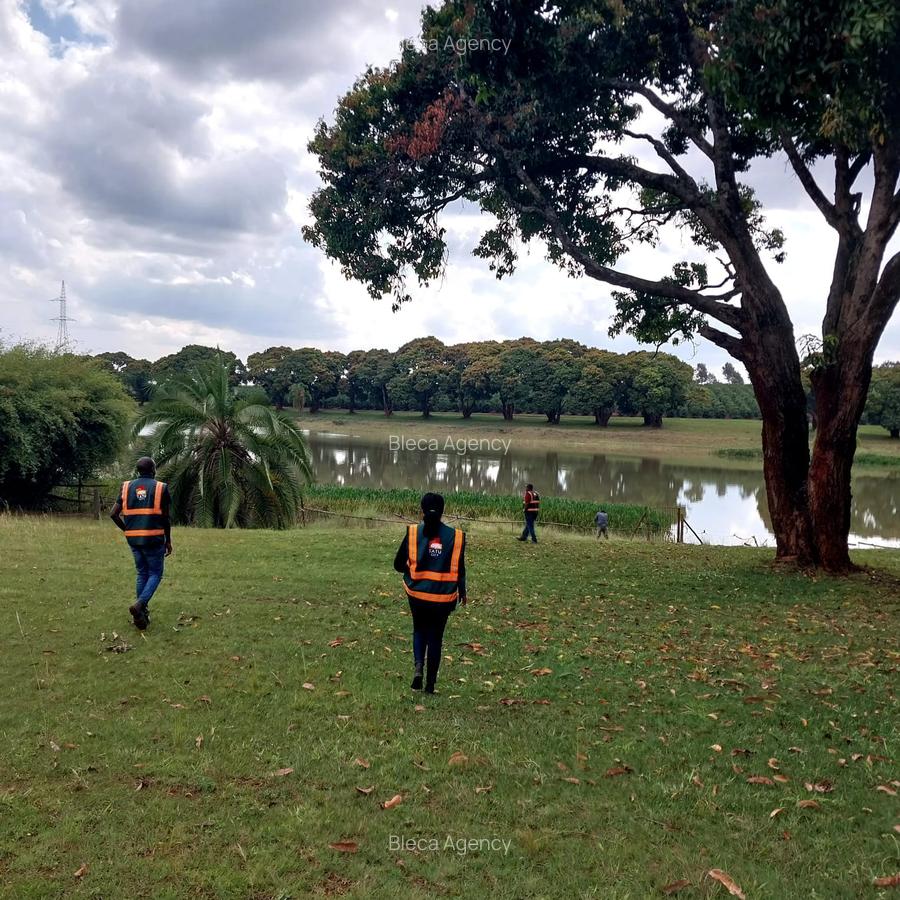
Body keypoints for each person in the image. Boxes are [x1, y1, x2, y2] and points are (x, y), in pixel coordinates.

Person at [393, 492, 467, 694]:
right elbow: (460, 569)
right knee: (436, 637)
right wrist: (463, 592)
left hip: (417, 595)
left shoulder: (413, 533)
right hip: (444, 597)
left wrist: (412, 567)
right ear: (443, 511)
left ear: (422, 509)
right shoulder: (457, 537)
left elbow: (398, 565)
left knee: (419, 630)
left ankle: (418, 667)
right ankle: (430, 685)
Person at [110, 457, 172, 630]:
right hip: (154, 538)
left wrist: (127, 530)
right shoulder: (161, 488)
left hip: (134, 540)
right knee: (155, 574)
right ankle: (140, 605)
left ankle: (142, 615)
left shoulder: (126, 487)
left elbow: (113, 514)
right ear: (153, 470)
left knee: (141, 573)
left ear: (138, 470)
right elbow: (165, 518)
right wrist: (168, 540)